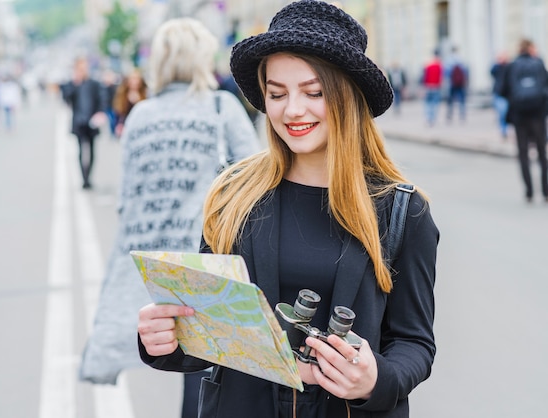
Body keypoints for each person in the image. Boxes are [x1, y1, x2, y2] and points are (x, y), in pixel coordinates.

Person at [137, 1, 439, 418]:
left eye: (313, 92)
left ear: (347, 95)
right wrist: (164, 340)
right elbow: (211, 334)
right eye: (277, 93)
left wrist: (375, 380)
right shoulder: (233, 193)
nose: (292, 110)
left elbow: (415, 343)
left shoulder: (405, 209)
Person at [78, 18, 261, 418]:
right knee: (206, 371)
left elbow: (127, 200)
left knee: (170, 351)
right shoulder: (219, 106)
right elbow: (256, 179)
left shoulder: (141, 115)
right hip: (206, 260)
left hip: (158, 263)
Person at [496, 39, 548, 203]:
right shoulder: (538, 64)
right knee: (541, 152)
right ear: (531, 48)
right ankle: (546, 191)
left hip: (519, 116)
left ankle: (529, 192)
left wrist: (515, 100)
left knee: (523, 153)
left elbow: (501, 89)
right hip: (538, 115)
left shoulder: (512, 66)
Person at [60, 57, 108, 189]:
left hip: (92, 121)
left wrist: (100, 113)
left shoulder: (94, 84)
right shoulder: (72, 84)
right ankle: (84, 178)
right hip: (79, 121)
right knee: (81, 150)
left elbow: (102, 99)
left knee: (92, 150)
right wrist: (75, 83)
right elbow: (66, 98)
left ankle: (89, 176)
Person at [111, 68, 148, 138]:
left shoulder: (145, 94)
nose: (135, 82)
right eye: (133, 79)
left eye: (136, 79)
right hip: (126, 126)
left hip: (141, 126)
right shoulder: (122, 95)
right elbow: (118, 111)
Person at [445, 46, 468, 122]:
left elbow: (446, 73)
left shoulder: (449, 60)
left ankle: (450, 115)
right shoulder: (461, 59)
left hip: (452, 83)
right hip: (460, 83)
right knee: (462, 100)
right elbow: (465, 71)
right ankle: (462, 115)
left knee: (450, 100)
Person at [490, 52, 510, 139]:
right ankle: (503, 130)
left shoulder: (509, 67)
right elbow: (491, 72)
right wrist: (497, 63)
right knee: (501, 112)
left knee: (506, 112)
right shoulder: (496, 67)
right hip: (498, 92)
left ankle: (506, 130)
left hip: (507, 93)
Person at [422, 49, 443, 126]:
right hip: (436, 87)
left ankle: (428, 118)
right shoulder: (440, 65)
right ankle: (433, 118)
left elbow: (425, 77)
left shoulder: (428, 64)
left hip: (428, 86)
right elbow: (441, 77)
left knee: (427, 103)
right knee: (435, 103)